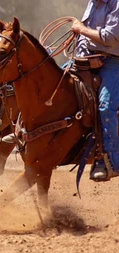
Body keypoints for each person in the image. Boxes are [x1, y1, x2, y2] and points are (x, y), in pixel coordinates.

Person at [72, 0, 119, 180]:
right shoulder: (93, 2)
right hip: (90, 58)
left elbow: (109, 37)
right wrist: (85, 58)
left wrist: (80, 29)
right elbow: (83, 36)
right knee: (57, 82)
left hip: (114, 61)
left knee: (106, 106)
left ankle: (110, 162)